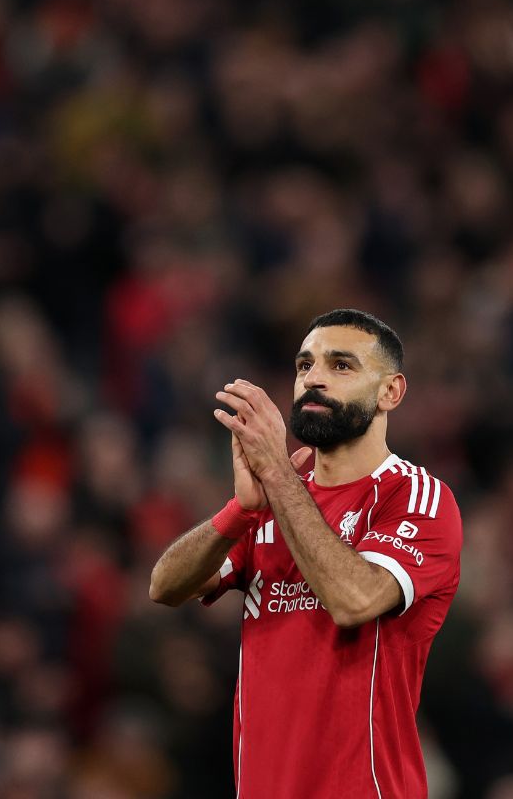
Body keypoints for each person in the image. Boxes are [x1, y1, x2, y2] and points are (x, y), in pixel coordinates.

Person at [149, 308, 463, 798]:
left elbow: (354, 600)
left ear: (390, 392)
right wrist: (240, 511)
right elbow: (164, 587)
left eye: (341, 366)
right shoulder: (276, 500)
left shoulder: (416, 497)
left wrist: (275, 476)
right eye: (304, 365)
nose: (314, 378)